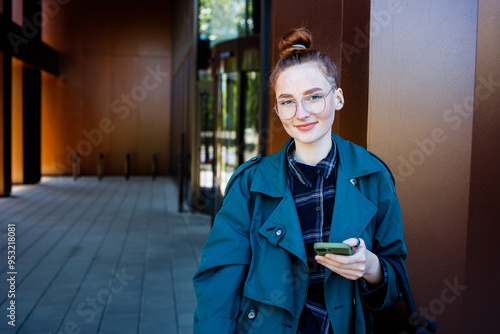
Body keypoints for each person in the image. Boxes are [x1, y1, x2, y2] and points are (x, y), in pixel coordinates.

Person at [193, 27, 407, 334]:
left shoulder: (374, 176)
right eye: (288, 101)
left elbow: (396, 276)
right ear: (278, 109)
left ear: (338, 98)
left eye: (314, 97)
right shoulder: (249, 183)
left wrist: (371, 266)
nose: (301, 113)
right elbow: (219, 280)